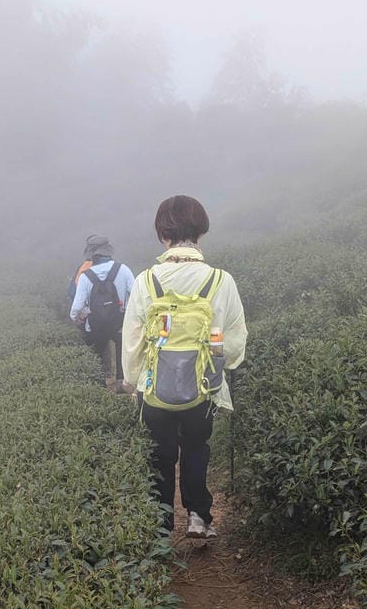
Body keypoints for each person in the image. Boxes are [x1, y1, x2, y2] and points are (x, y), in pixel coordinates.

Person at [121, 196, 247, 539]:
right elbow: (235, 340)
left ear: (164, 234)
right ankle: (198, 517)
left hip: (154, 389)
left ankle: (161, 531)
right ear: (200, 233)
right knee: (196, 449)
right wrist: (223, 368)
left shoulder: (146, 281)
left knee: (160, 458)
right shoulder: (221, 280)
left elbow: (132, 338)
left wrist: (135, 383)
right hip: (203, 387)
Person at [69, 235, 135, 390]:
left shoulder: (86, 276)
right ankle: (121, 382)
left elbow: (76, 307)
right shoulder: (123, 269)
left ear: (92, 255)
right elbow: (136, 292)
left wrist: (76, 318)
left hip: (95, 324)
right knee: (122, 349)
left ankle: (99, 387)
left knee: (97, 353)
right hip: (119, 320)